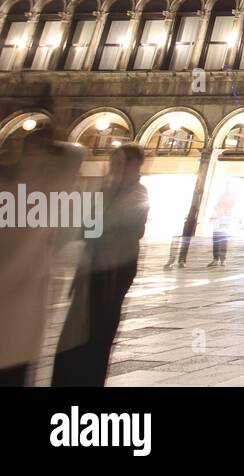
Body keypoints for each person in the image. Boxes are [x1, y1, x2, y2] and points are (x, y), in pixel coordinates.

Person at [0, 92, 85, 387]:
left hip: (19, 318)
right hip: (19, 319)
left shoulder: (36, 190)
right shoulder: (42, 192)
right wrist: (57, 124)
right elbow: (73, 156)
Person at [52, 143, 149, 387]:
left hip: (115, 270)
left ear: (134, 165)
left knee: (99, 332)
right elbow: (88, 228)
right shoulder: (105, 191)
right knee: (75, 331)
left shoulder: (137, 192)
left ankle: (89, 379)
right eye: (112, 161)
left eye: (119, 162)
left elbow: (132, 227)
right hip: (92, 268)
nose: (113, 166)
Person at [209, 186, 236, 267]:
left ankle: (222, 260)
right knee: (216, 240)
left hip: (225, 220)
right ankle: (215, 259)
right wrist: (213, 216)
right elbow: (216, 207)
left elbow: (232, 206)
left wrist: (224, 211)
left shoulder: (232, 197)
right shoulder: (221, 197)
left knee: (223, 240)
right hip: (217, 221)